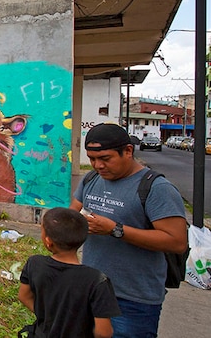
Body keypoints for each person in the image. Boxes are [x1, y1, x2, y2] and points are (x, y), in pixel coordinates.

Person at [70, 123, 187, 338]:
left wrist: (115, 230)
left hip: (133, 301)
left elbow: (177, 241)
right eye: (92, 159)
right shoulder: (91, 180)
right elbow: (73, 213)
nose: (98, 166)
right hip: (91, 290)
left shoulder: (157, 188)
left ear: (128, 151)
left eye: (105, 159)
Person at [18, 207, 120, 338]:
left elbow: (24, 296)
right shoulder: (97, 280)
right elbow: (103, 332)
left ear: (48, 242)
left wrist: (48, 316)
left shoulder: (35, 263)